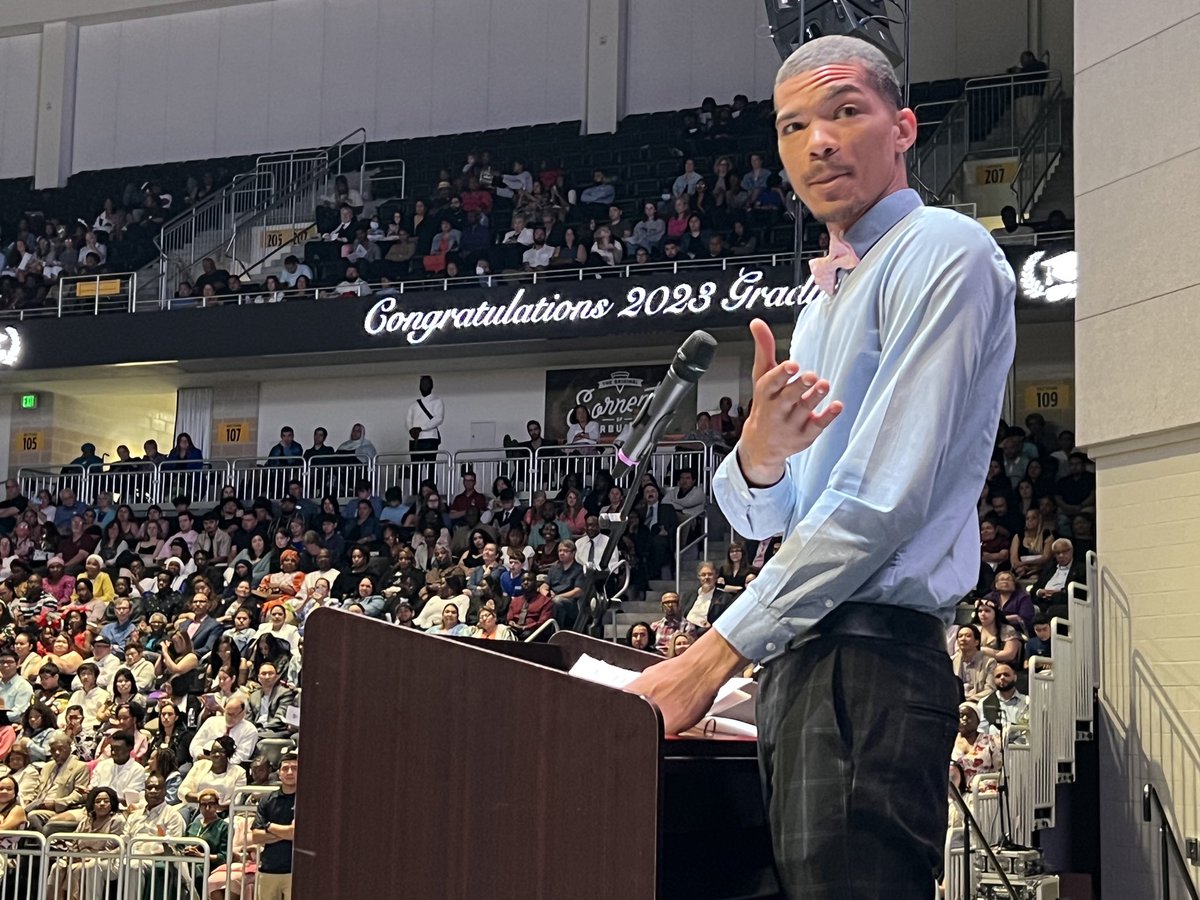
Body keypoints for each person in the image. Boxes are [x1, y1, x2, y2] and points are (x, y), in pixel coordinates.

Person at [624, 35, 1015, 900]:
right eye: (793, 126)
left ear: (903, 127)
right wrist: (759, 458)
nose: (819, 142)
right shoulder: (821, 304)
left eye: (845, 112)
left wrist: (710, 658)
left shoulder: (941, 248)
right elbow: (768, 518)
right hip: (807, 660)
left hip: (870, 661)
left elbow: (878, 501)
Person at [252, 749, 298, 900]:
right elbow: (256, 837)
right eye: (285, 768)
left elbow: (297, 834)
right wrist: (288, 832)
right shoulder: (267, 800)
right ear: (278, 773)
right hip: (269, 870)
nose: (289, 772)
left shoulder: (308, 800)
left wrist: (270, 826)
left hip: (296, 871)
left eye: (294, 768)